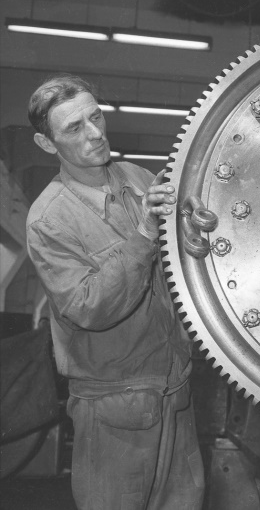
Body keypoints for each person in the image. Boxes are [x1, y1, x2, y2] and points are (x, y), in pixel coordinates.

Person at [26, 74, 204, 510]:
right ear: (47, 144)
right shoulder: (49, 220)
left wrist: (193, 224)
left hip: (176, 388)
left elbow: (181, 266)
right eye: (74, 128)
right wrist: (145, 234)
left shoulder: (137, 178)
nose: (95, 133)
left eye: (96, 117)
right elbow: (88, 306)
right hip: (114, 405)